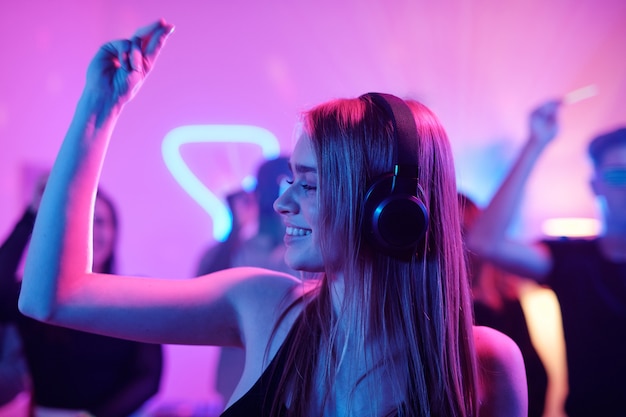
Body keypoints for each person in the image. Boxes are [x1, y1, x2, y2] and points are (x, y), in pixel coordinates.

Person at [18, 20, 526, 417]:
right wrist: (97, 110)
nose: (283, 204)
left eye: (309, 183)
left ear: (388, 210)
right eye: (289, 181)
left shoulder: (484, 363)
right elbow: (53, 296)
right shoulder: (264, 308)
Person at [466, 100, 626, 416]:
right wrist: (535, 142)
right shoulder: (574, 260)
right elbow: (485, 241)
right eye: (619, 176)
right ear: (595, 186)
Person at [0, 175, 163, 417]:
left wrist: (94, 416)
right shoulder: (39, 298)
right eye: (82, 220)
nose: (91, 230)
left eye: (99, 221)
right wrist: (32, 213)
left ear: (114, 232)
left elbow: (147, 377)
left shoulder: (135, 295)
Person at [196, 156, 298, 407]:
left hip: (295, 376)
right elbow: (198, 293)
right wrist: (235, 228)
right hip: (237, 378)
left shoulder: (306, 249)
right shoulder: (235, 248)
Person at [458, 193, 548, 417]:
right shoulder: (442, 309)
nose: (465, 246)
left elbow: (536, 376)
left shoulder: (509, 303)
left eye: (468, 232)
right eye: (459, 233)